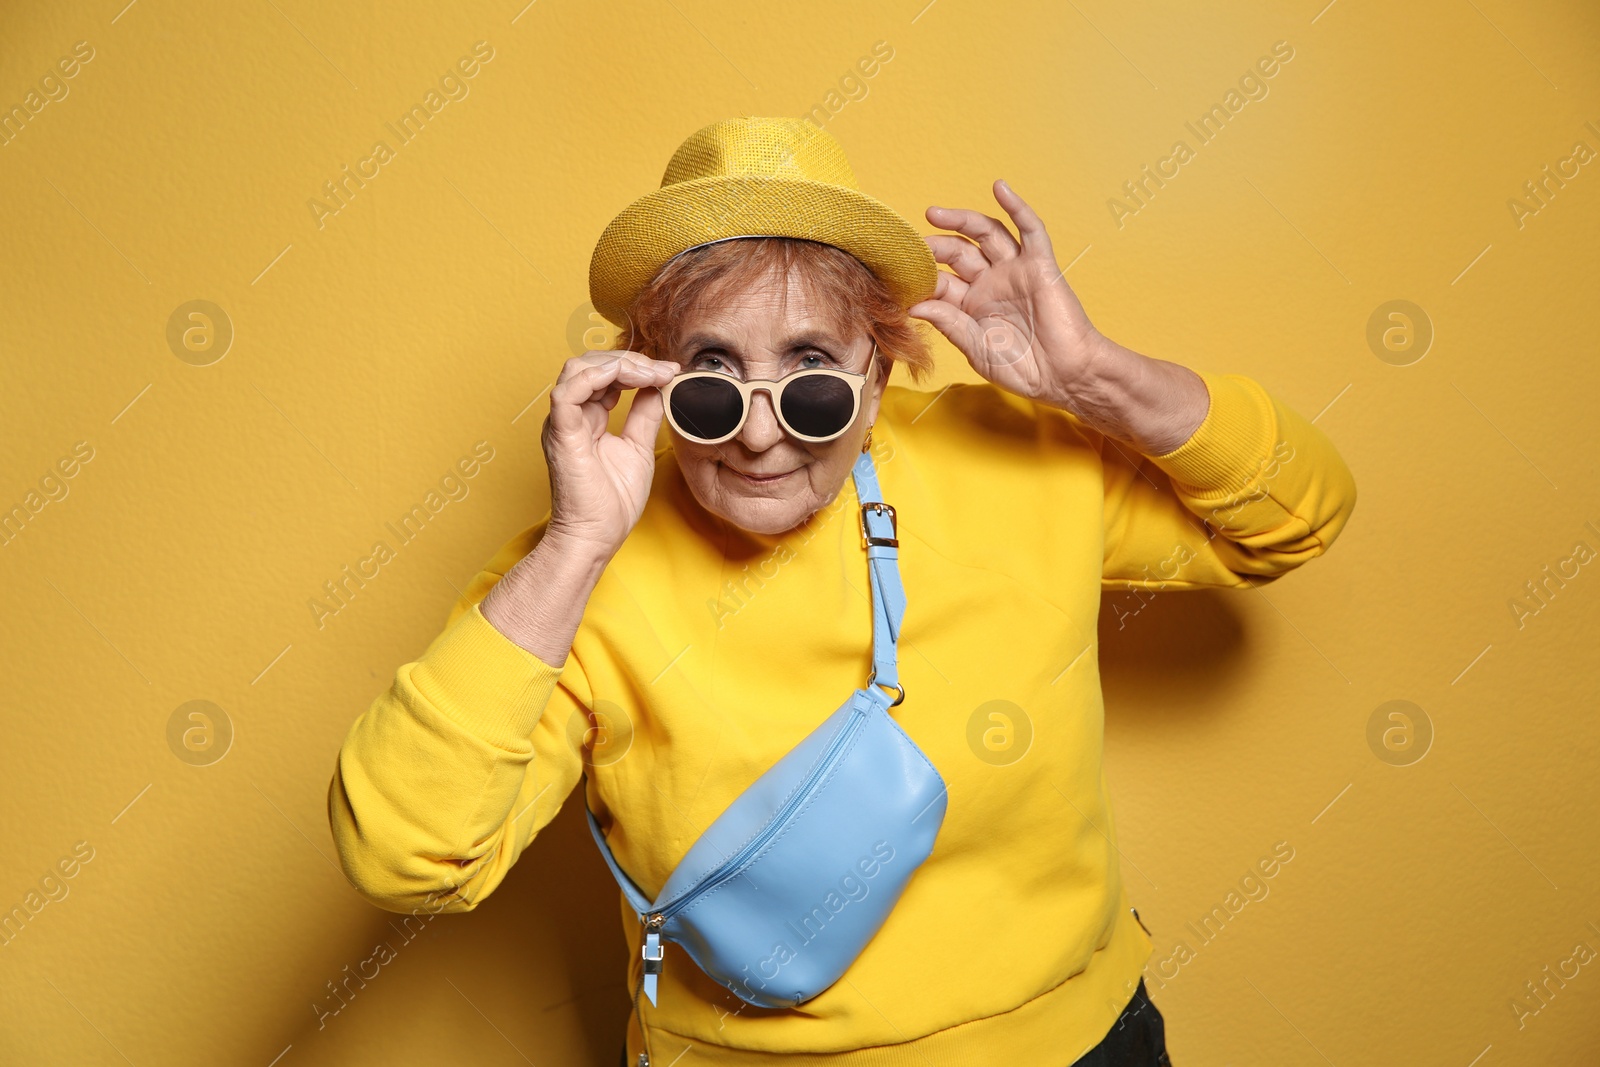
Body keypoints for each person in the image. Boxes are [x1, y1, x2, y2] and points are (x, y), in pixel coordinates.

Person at [327, 116, 1356, 1067]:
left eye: (810, 369)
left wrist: (1095, 381)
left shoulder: (1006, 459)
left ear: (876, 367)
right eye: (710, 374)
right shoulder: (577, 570)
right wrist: (574, 546)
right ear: (645, 379)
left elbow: (1293, 519)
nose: (761, 431)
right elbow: (404, 856)